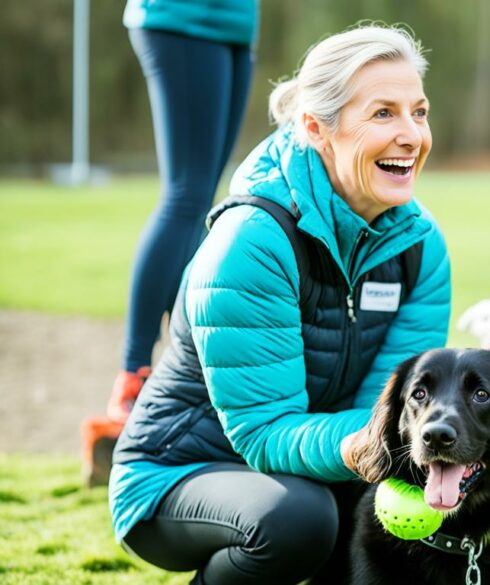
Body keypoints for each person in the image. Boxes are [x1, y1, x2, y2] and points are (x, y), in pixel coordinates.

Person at [108, 25, 450, 584]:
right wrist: (368, 443)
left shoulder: (421, 247)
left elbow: (392, 408)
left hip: (310, 464)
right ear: (317, 128)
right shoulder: (251, 242)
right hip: (178, 475)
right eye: (383, 114)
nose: (412, 134)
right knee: (301, 520)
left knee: (385, 509)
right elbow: (265, 432)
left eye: (419, 111)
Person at [81, 0, 259, 486]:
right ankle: (133, 373)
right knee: (186, 195)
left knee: (203, 198)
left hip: (236, 22)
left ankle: (178, 359)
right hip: (181, 16)